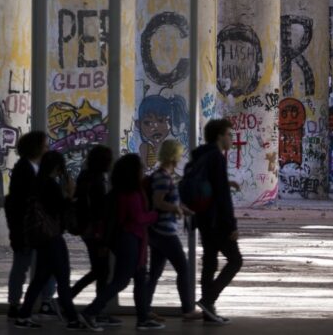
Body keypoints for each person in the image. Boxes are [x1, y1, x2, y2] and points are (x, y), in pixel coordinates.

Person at [79, 154, 162, 331]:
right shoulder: (129, 194)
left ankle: (143, 318)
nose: (143, 171)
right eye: (140, 168)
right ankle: (90, 312)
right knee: (121, 281)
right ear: (133, 172)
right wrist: (156, 214)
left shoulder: (129, 190)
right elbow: (138, 218)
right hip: (129, 240)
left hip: (135, 240)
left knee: (140, 278)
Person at [15, 151, 84, 330]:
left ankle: (23, 315)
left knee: (39, 279)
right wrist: (70, 194)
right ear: (57, 167)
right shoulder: (50, 185)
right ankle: (72, 319)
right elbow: (60, 209)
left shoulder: (37, 182)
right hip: (53, 238)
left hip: (41, 238)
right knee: (62, 277)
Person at [144, 140, 202, 321]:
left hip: (157, 232)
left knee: (154, 273)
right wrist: (175, 209)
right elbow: (158, 201)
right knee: (183, 269)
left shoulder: (165, 175)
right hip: (164, 232)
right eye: (179, 153)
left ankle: (144, 310)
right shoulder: (162, 177)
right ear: (174, 155)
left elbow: (169, 200)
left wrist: (185, 209)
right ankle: (187, 310)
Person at [193, 119, 242, 324]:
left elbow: (210, 184)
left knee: (210, 263)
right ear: (220, 136)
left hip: (203, 218)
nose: (232, 138)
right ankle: (208, 300)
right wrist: (232, 225)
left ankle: (208, 312)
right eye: (229, 134)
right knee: (235, 260)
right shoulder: (217, 158)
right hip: (217, 220)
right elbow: (222, 196)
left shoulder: (200, 154)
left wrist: (225, 182)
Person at [4, 132, 58, 320]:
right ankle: (37, 302)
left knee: (24, 266)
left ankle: (18, 303)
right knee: (29, 266)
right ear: (36, 148)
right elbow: (23, 202)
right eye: (45, 145)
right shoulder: (26, 170)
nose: (48, 148)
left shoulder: (29, 168)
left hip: (28, 229)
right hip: (28, 229)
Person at [70, 145, 122, 327]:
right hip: (97, 232)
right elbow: (100, 212)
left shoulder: (85, 176)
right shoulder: (98, 180)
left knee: (99, 270)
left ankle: (73, 301)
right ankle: (92, 309)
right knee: (102, 271)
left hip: (87, 230)